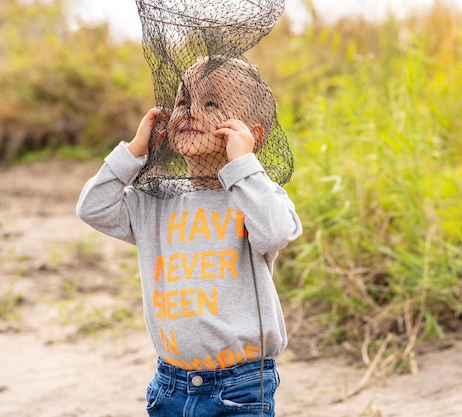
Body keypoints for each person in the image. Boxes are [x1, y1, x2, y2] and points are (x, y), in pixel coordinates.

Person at [76, 56, 302, 417]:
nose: (191, 111)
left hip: (242, 385)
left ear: (252, 137)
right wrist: (133, 152)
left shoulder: (255, 196)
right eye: (183, 101)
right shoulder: (156, 200)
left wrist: (242, 165)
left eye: (211, 103)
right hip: (170, 384)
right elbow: (92, 207)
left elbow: (276, 232)